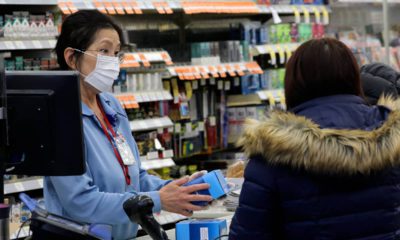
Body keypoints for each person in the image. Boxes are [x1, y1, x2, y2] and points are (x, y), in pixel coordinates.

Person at [44, 10, 212, 240]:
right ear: (72, 58)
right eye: (104, 51)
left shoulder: (111, 106)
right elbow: (80, 202)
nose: (113, 62)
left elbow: (135, 178)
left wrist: (177, 188)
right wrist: (159, 200)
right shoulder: (58, 117)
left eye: (116, 53)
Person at [229, 38, 400, 239]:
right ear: (354, 77)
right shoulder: (391, 136)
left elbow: (248, 234)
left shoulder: (272, 151)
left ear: (293, 83)